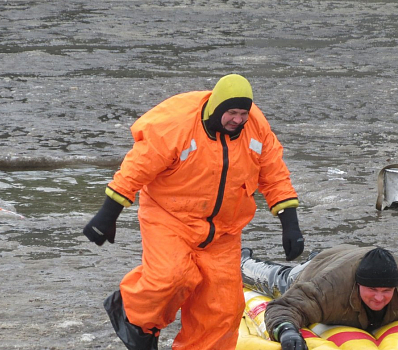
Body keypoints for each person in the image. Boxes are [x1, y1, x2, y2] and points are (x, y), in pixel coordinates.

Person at [82, 74, 305, 350]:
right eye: (232, 113)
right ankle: (132, 315)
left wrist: (290, 224)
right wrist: (108, 214)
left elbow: (275, 175)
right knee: (172, 277)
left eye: (243, 113)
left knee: (223, 311)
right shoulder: (175, 125)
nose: (238, 120)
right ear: (216, 108)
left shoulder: (255, 127)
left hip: (224, 232)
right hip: (170, 218)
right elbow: (135, 169)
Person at [240, 244, 398, 350]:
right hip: (320, 269)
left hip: (350, 256)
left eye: (385, 292)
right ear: (358, 285)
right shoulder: (326, 290)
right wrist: (287, 331)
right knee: (277, 280)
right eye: (372, 291)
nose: (379, 299)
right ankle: (242, 261)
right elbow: (284, 307)